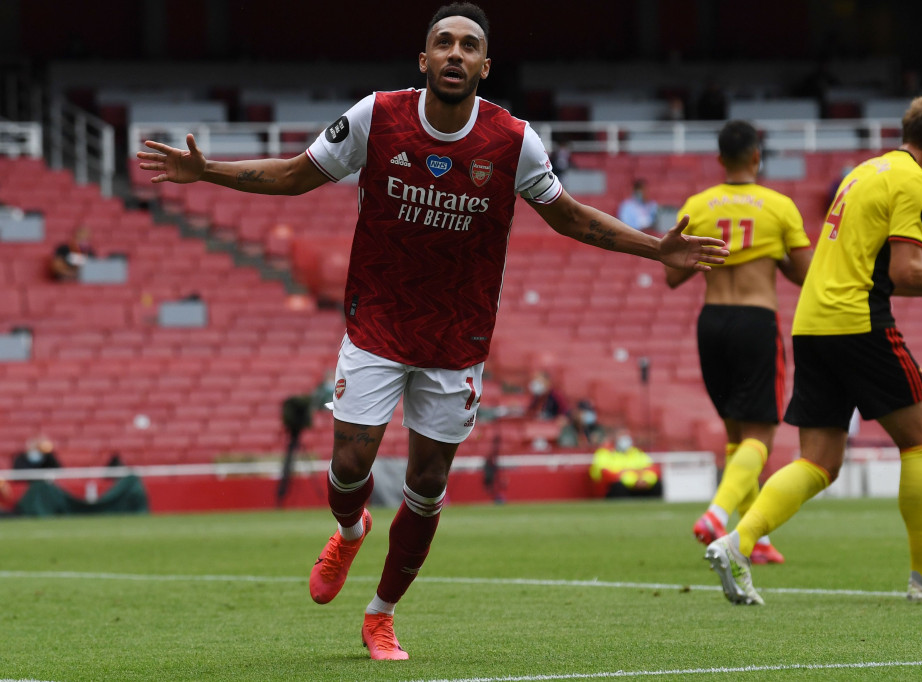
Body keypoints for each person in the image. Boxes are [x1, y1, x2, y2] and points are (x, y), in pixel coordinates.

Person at [137, 2, 728, 660]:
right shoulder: (378, 116)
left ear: (485, 65)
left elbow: (568, 216)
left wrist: (656, 247)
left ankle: (381, 615)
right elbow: (298, 174)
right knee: (348, 468)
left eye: (468, 45)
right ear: (424, 59)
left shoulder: (513, 142)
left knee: (425, 487)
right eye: (443, 42)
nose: (454, 53)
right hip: (379, 323)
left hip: (456, 340)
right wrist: (208, 171)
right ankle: (350, 530)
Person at [705, 92, 922, 606]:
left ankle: (737, 542)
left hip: (813, 323)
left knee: (820, 461)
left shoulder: (865, 172)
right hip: (857, 321)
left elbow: (880, 271)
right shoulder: (916, 180)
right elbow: (904, 272)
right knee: (921, 440)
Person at [664, 120, 813, 565]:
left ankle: (754, 540)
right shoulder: (778, 206)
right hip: (755, 319)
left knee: (736, 435)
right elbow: (805, 274)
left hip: (711, 322)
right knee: (760, 435)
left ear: (719, 159)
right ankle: (717, 513)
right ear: (756, 156)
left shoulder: (698, 205)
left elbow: (672, 276)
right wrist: (773, 256)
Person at [589, 429, 662, 499]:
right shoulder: (604, 453)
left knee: (657, 485)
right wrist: (632, 481)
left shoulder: (636, 452)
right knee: (619, 487)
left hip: (639, 485)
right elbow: (604, 473)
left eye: (626, 436)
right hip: (618, 487)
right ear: (615, 438)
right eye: (622, 436)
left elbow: (652, 469)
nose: (625, 439)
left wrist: (643, 480)